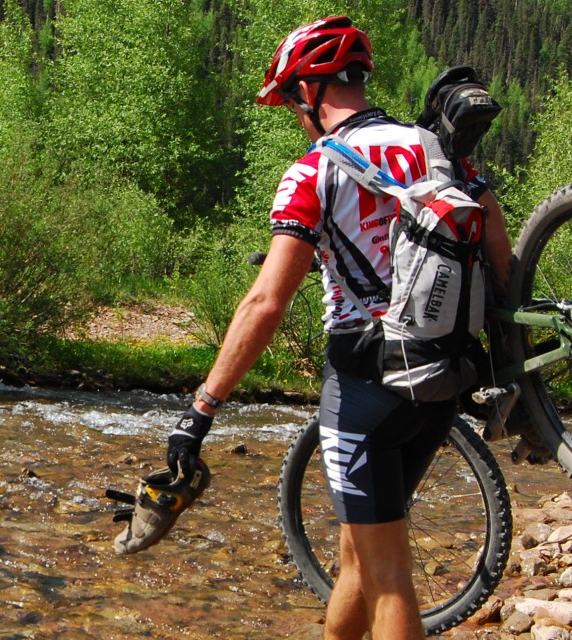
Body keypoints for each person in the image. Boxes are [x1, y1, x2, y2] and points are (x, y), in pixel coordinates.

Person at [110, 17, 511, 639]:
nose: (295, 113)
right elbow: (496, 247)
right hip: (437, 380)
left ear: (310, 91)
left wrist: (201, 409)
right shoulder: (435, 149)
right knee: (357, 551)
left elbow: (265, 303)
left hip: (362, 391)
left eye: (293, 99)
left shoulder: (313, 172)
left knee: (388, 580)